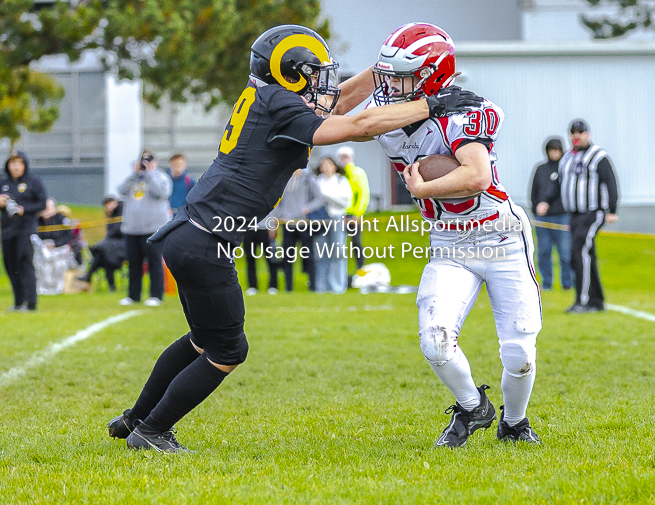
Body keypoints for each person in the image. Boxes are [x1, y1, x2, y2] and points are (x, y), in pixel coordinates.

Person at [106, 24, 482, 452]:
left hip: (190, 233)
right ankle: (151, 431)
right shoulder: (281, 104)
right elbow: (354, 125)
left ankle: (135, 419)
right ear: (291, 74)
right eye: (315, 74)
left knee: (200, 341)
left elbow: (339, 101)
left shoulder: (268, 97)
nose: (324, 83)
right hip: (206, 241)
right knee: (228, 350)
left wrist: (384, 71)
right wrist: (428, 104)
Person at [363, 22, 542, 446]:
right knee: (435, 341)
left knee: (518, 353)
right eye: (386, 75)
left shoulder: (463, 112)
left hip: (499, 235)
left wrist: (423, 188)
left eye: (400, 76)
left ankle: (515, 424)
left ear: (432, 76)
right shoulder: (389, 109)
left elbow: (477, 175)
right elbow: (350, 120)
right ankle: (471, 407)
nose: (389, 85)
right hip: (449, 240)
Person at [556, 119, 619, 313]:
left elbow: (611, 182)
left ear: (588, 134)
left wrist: (613, 210)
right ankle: (597, 301)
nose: (576, 135)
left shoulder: (598, 156)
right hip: (573, 214)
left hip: (592, 212)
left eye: (580, 132)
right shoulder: (567, 158)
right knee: (587, 254)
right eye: (573, 132)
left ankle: (582, 301)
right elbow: (559, 184)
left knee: (578, 252)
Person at [117, 150, 172, 306]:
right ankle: (133, 295)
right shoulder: (133, 179)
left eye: (148, 161)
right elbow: (121, 190)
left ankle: (156, 295)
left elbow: (161, 192)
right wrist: (134, 174)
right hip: (132, 228)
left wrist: (150, 174)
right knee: (134, 263)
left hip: (153, 228)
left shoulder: (161, 177)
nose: (145, 165)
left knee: (154, 261)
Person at [0, 151, 47, 312]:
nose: (16, 167)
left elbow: (42, 203)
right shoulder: (2, 183)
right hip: (7, 229)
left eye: (19, 163)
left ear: (25, 165)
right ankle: (18, 302)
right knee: (10, 265)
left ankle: (31, 303)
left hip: (26, 228)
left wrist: (25, 210)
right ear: (8, 165)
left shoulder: (33, 182)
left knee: (24, 262)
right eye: (13, 163)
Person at [530, 137, 573, 291]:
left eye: (557, 150)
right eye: (551, 150)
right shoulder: (540, 169)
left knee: (565, 253)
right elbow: (534, 191)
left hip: (561, 217)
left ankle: (568, 283)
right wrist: (536, 209)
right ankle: (546, 283)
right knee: (544, 252)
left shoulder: (566, 168)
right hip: (542, 219)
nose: (554, 153)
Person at [271, 168, 323, 291]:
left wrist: (307, 208)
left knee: (308, 256)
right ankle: (288, 288)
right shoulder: (284, 178)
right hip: (288, 224)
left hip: (304, 223)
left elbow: (319, 198)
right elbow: (278, 201)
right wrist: (277, 217)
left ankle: (313, 287)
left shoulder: (308, 179)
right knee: (287, 257)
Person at [312, 156, 352, 293]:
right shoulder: (317, 182)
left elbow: (345, 202)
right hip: (321, 221)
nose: (326, 167)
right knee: (321, 253)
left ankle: (338, 286)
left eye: (329, 164)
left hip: (337, 219)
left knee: (338, 253)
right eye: (323, 165)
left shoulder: (341, 181)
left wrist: (325, 197)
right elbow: (314, 201)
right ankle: (322, 286)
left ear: (334, 166)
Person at [78, 196, 126, 291]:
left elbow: (117, 231)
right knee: (104, 257)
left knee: (101, 250)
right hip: (112, 248)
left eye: (109, 204)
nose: (108, 207)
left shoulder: (123, 212)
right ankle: (111, 287)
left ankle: (89, 274)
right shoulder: (112, 215)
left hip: (124, 246)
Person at [337, 146, 370, 274]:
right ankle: (341, 273)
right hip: (340, 214)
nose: (344, 160)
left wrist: (358, 214)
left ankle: (360, 269)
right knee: (339, 244)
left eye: (346, 157)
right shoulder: (339, 174)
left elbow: (363, 194)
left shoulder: (358, 173)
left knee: (356, 243)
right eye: (342, 157)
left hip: (353, 214)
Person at [241, 224, 280, 295]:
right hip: (249, 229)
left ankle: (273, 285)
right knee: (250, 259)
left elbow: (273, 213)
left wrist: (273, 227)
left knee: (271, 259)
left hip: (265, 229)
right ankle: (252, 286)